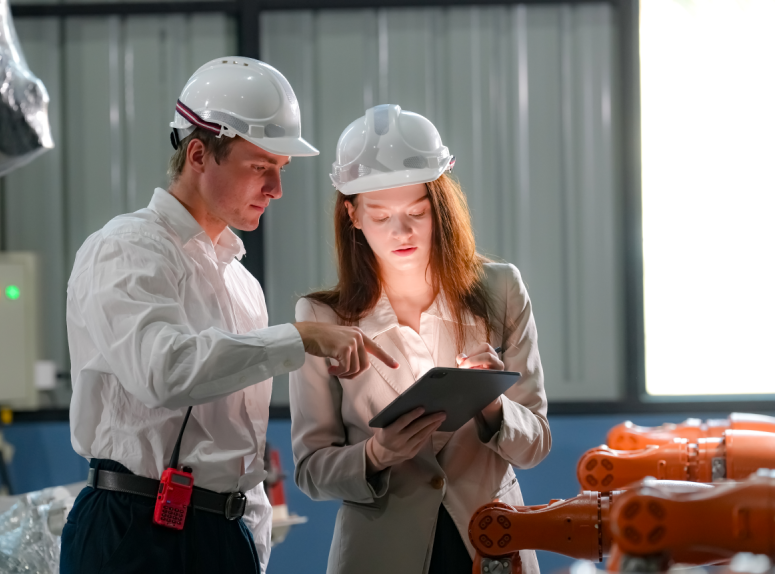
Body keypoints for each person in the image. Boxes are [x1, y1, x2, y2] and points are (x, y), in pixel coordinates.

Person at [60, 58, 398, 574]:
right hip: (135, 530)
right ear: (199, 153)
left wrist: (251, 539)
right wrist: (299, 338)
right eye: (260, 167)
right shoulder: (126, 249)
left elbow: (242, 447)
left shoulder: (241, 284)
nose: (276, 190)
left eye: (280, 171)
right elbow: (165, 372)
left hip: (223, 532)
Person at [289, 104, 552, 574]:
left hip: (491, 540)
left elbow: (535, 444)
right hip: (380, 553)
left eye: (416, 211)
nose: (401, 231)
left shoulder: (501, 291)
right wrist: (375, 455)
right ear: (352, 214)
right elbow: (310, 471)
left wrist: (493, 407)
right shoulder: (322, 317)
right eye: (381, 215)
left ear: (440, 205)